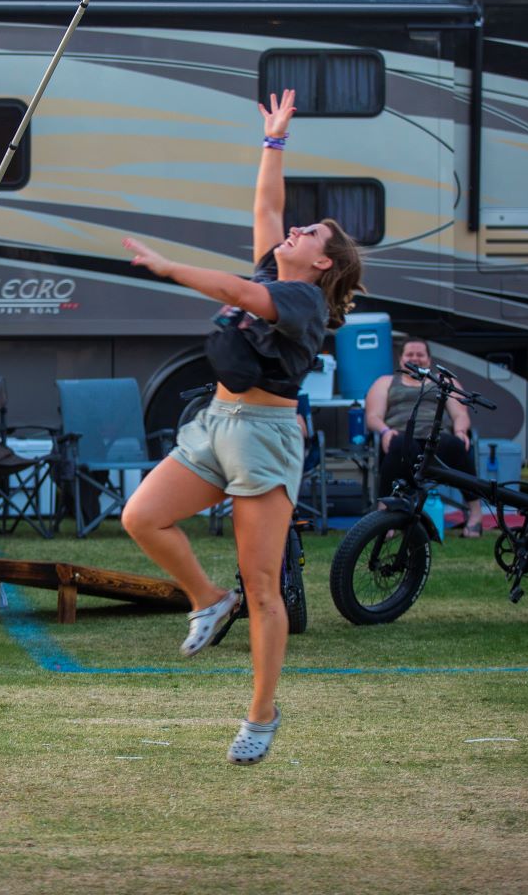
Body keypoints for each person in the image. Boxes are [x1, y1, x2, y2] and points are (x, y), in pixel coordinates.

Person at [120, 89, 364, 765]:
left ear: (321, 263)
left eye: (310, 235)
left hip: (264, 435)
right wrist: (274, 141)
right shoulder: (276, 265)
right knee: (141, 517)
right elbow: (265, 208)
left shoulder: (302, 300)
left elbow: (234, 294)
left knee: (265, 586)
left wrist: (168, 266)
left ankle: (260, 716)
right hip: (217, 419)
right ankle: (206, 597)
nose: (296, 231)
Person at [363, 338, 483, 537]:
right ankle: (384, 517)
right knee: (399, 444)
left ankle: (476, 515)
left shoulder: (444, 382)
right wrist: (385, 431)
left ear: (428, 359)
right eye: (410, 354)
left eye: (420, 355)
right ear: (401, 358)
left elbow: (460, 414)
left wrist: (461, 431)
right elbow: (372, 417)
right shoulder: (385, 382)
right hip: (401, 438)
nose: (415, 359)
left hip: (436, 441)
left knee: (456, 444)